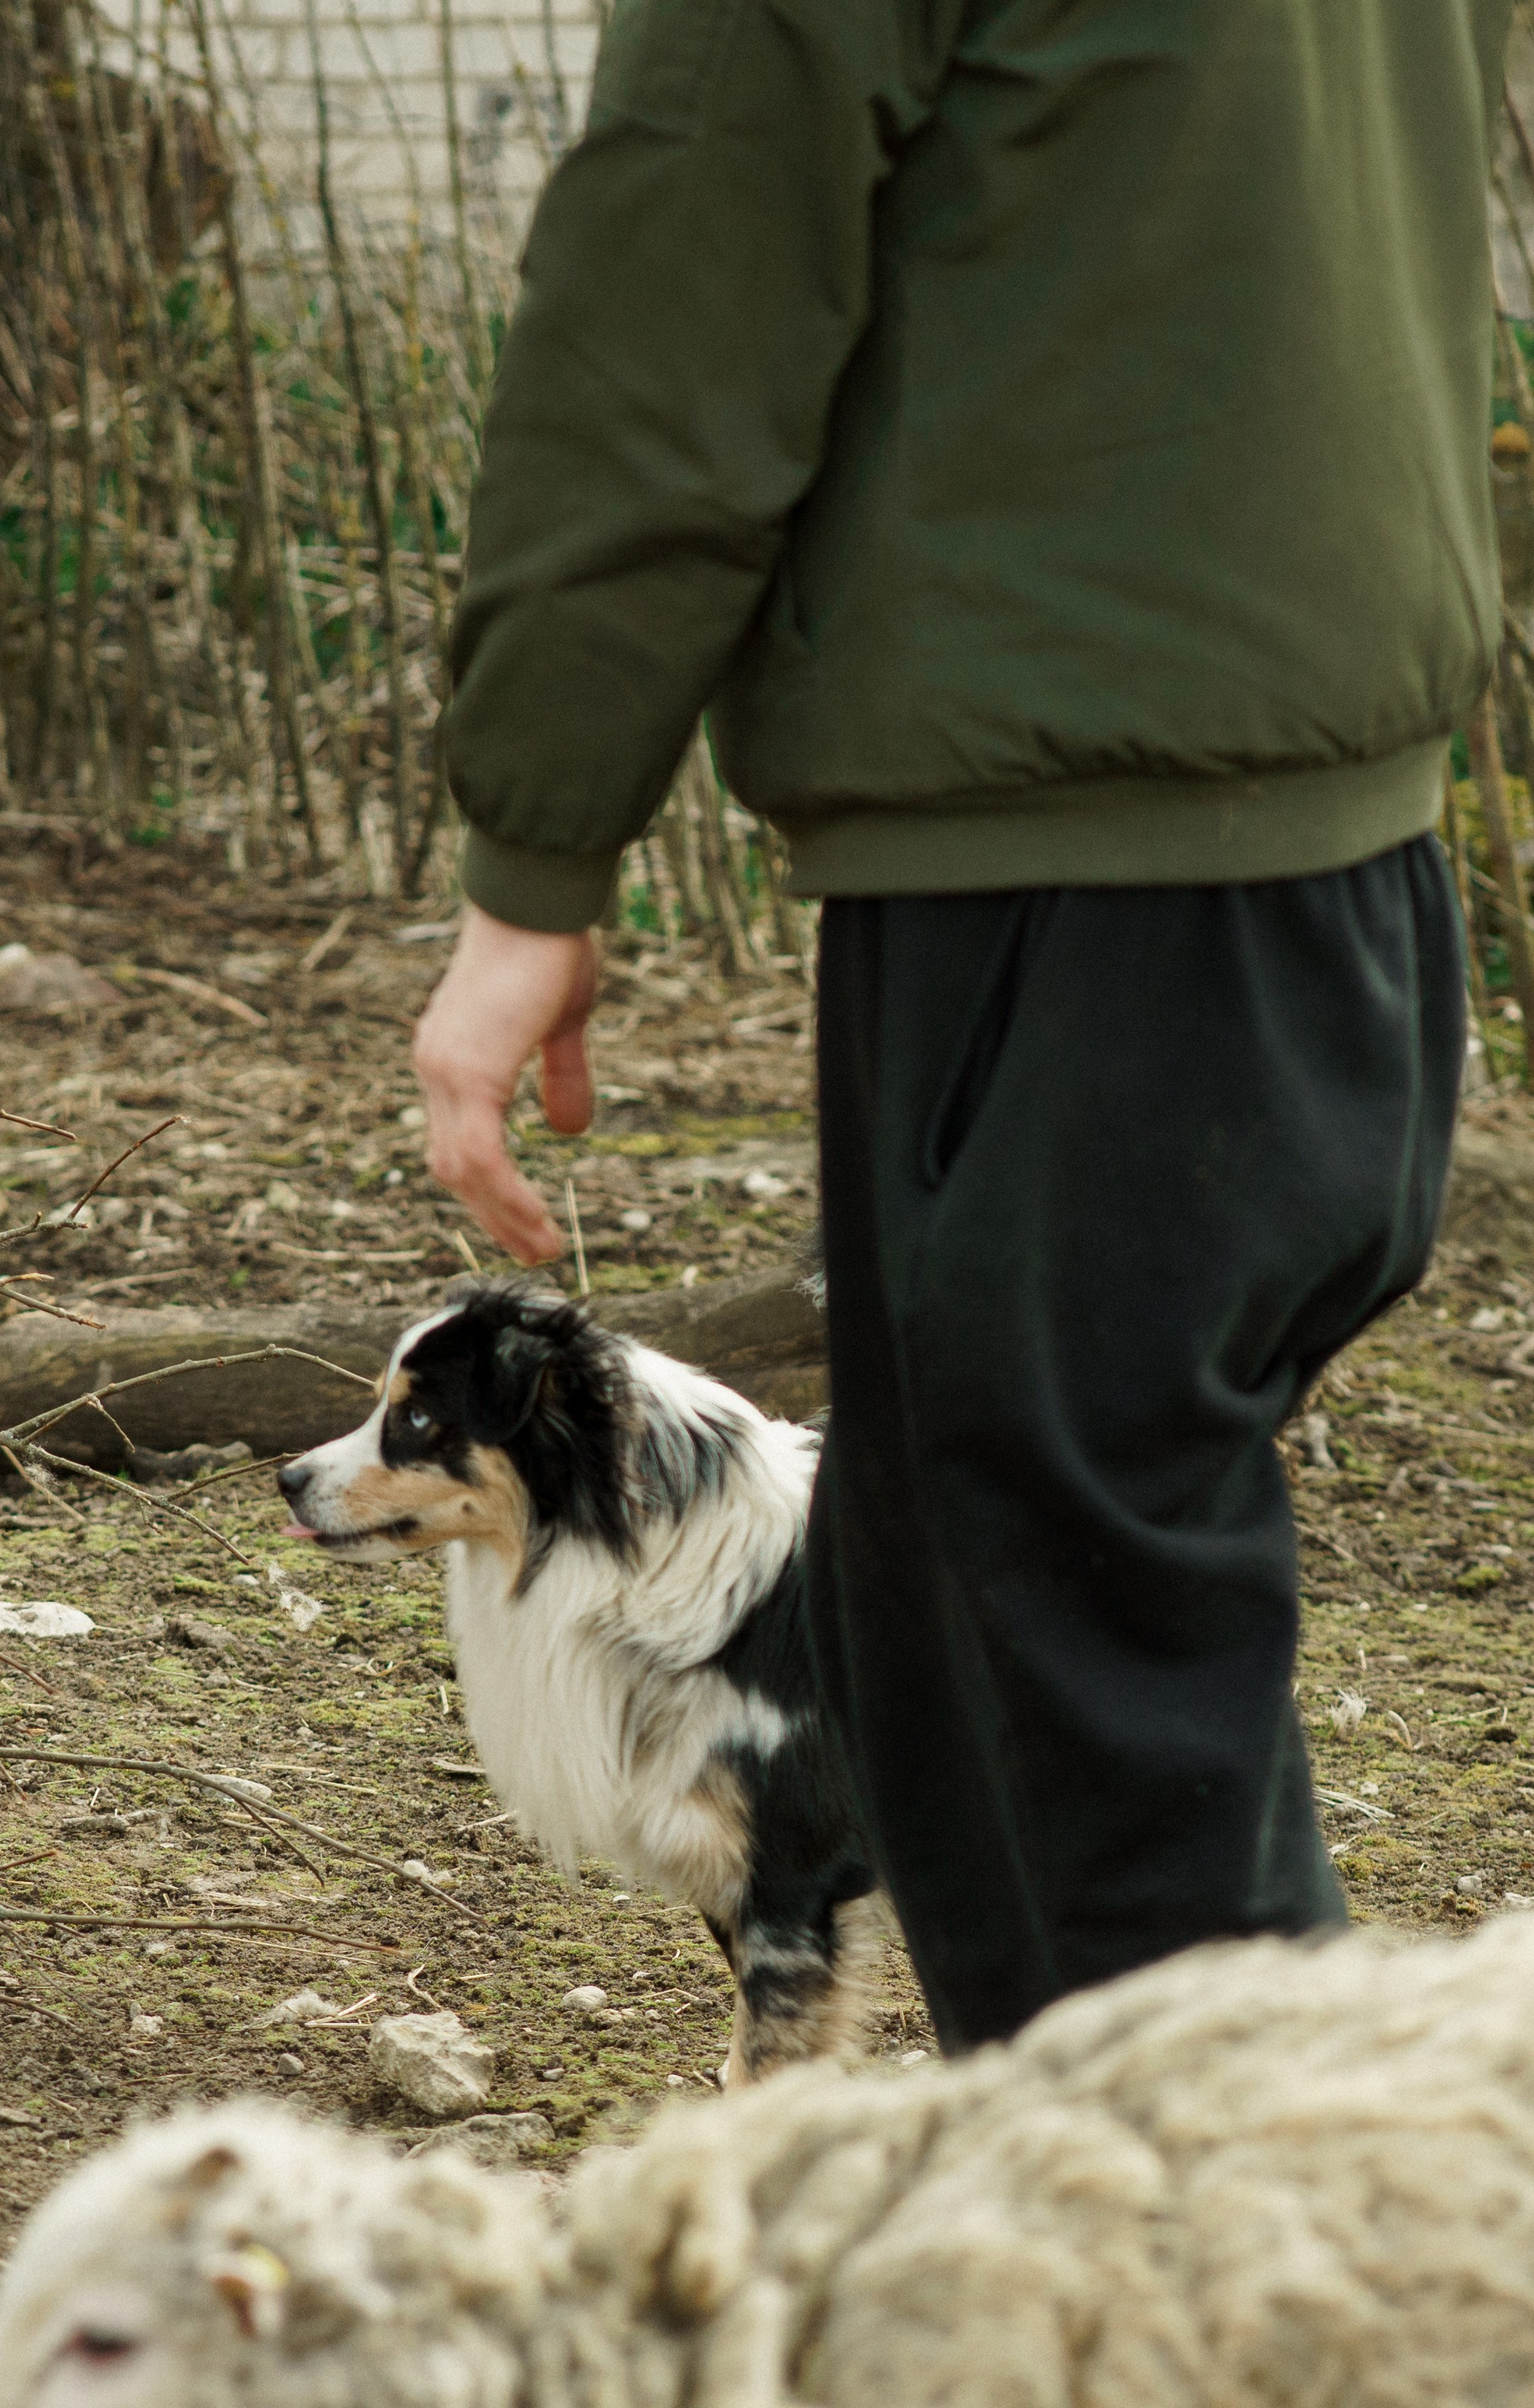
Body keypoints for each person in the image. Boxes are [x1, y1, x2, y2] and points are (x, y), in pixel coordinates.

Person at [412, 0, 1511, 2053]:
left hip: (1082, 870)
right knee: (991, 1654)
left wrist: (533, 860)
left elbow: (675, 300)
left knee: (1069, 1705)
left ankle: (1273, 2325)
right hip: (1325, 847)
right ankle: (1147, 2291)